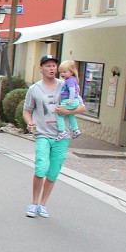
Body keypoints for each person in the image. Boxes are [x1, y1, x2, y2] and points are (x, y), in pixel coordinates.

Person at [23, 54, 86, 218]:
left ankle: (43, 204)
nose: (52, 68)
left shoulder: (65, 85)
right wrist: (30, 122)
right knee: (41, 167)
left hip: (62, 135)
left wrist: (67, 111)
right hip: (43, 134)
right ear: (41, 68)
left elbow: (82, 107)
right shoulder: (34, 89)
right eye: (48, 65)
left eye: (54, 66)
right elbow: (27, 111)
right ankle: (34, 203)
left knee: (53, 172)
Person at [56, 60, 82, 139]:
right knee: (71, 115)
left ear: (71, 72)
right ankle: (76, 130)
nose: (62, 74)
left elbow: (72, 90)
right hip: (75, 101)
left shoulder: (69, 81)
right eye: (61, 72)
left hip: (69, 101)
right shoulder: (72, 79)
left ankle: (62, 131)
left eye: (64, 72)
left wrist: (70, 99)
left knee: (59, 114)